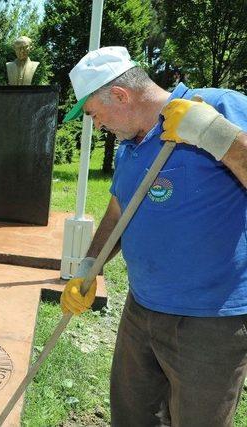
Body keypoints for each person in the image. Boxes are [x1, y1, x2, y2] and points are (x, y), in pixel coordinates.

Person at [60, 46, 247, 426]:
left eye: (95, 114)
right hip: (142, 309)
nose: (96, 126)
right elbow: (118, 209)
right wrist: (89, 266)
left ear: (120, 95)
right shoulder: (131, 145)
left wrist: (213, 134)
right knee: (132, 416)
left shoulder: (217, 107)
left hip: (209, 320)